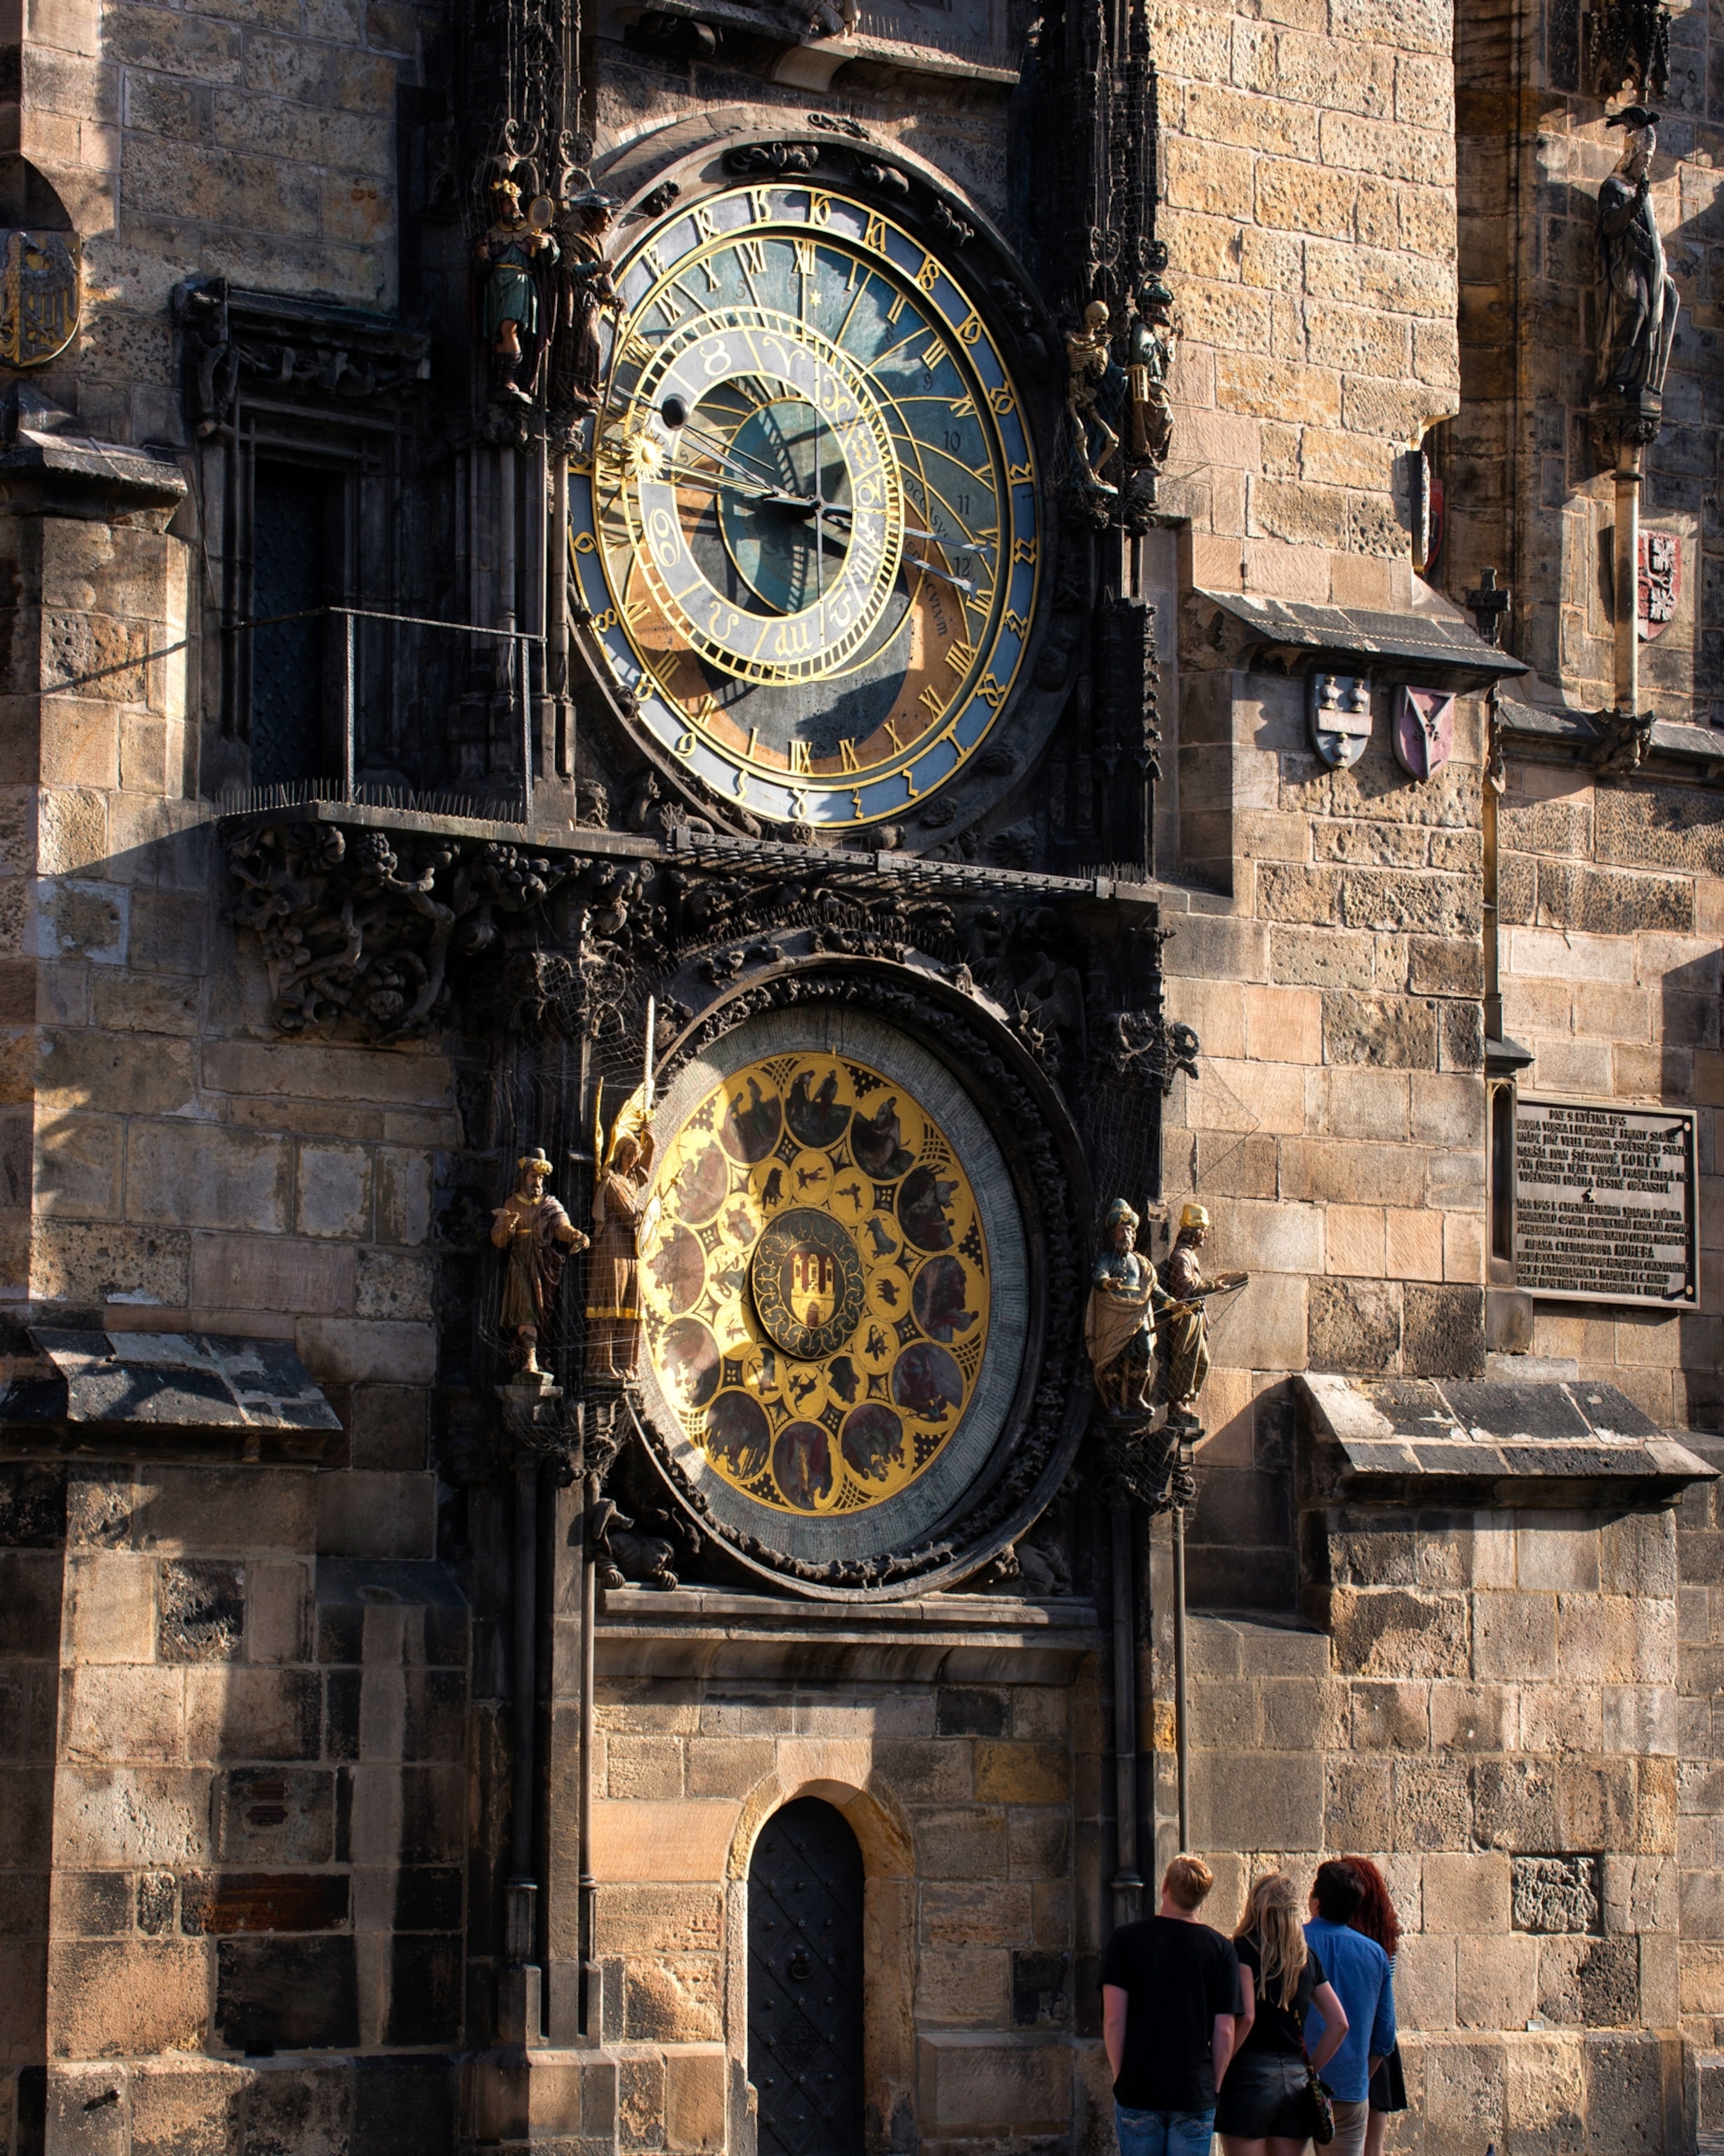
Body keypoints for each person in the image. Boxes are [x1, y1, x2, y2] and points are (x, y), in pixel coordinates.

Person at [1101, 1854, 1245, 2156]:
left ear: (1165, 1886)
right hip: (1194, 2089)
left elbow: (1114, 2020)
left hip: (1139, 2086)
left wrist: (1121, 2077)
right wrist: (1214, 2085)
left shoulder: (1126, 1941)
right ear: (1202, 1897)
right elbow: (1225, 2030)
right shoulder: (1221, 1950)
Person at [1216, 1872, 1349, 2156]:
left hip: (1248, 2076)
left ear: (1255, 1906)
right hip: (1295, 2079)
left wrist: (1221, 2066)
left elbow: (1247, 2016)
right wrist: (1311, 2067)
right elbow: (1339, 2023)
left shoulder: (1243, 1949)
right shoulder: (1305, 1957)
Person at [1304, 1861, 1396, 2156]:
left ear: (1315, 1901)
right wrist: (1359, 2075)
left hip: (1294, 2085)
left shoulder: (1295, 1942)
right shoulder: (1375, 1954)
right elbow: (1384, 2037)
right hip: (1350, 2088)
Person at [490, 1150, 588, 1377]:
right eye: (533, 1176)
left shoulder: (550, 1204)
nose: (537, 1182)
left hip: (544, 1265)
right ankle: (530, 1361)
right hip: (519, 1263)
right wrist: (508, 1227)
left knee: (542, 1315)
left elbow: (561, 1227)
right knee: (525, 1311)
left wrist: (575, 1235)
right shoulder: (512, 1202)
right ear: (525, 1176)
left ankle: (536, 1355)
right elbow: (497, 1240)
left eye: (541, 1178)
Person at [1161, 1202, 1248, 1432]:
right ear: (1193, 1232)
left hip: (1196, 1315)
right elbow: (1187, 1286)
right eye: (1204, 1231)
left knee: (1202, 1361)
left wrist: (1213, 1285)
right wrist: (1212, 1286)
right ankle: (1176, 1401)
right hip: (1185, 1317)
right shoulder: (1180, 1256)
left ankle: (1186, 1399)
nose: (1206, 1236)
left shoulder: (1190, 1255)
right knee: (1184, 1358)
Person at [1344, 1858, 1407, 2156]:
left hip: (1350, 2042)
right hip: (1379, 2043)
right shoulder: (1387, 1939)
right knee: (1373, 2148)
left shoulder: (1345, 1941)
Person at [1085, 1198, 1158, 1414]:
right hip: (1114, 1312)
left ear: (1134, 1235)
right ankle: (1114, 1402)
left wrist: (1169, 1302)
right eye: (1120, 1230)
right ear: (1112, 1235)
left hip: (1137, 1313)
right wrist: (1108, 1283)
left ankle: (1135, 1398)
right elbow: (1098, 1275)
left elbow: (1152, 1286)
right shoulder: (1108, 1258)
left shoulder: (1140, 1262)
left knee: (1144, 1353)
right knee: (1112, 1358)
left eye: (1129, 1230)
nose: (1125, 1235)